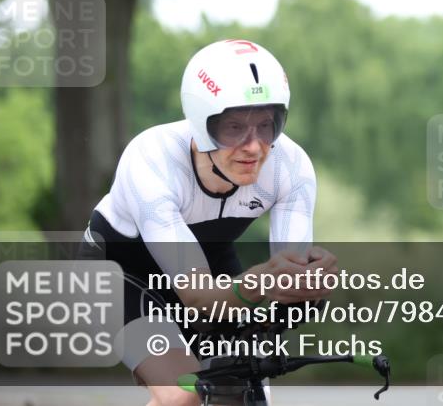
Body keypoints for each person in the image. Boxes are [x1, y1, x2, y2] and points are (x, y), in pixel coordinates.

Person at [79, 39, 336, 406]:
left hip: (211, 267)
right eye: (234, 127)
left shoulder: (290, 166)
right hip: (120, 275)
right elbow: (197, 296)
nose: (254, 146)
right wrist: (263, 280)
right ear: (201, 125)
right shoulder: (151, 159)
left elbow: (283, 298)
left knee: (241, 394)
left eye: (267, 125)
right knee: (185, 395)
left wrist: (309, 285)